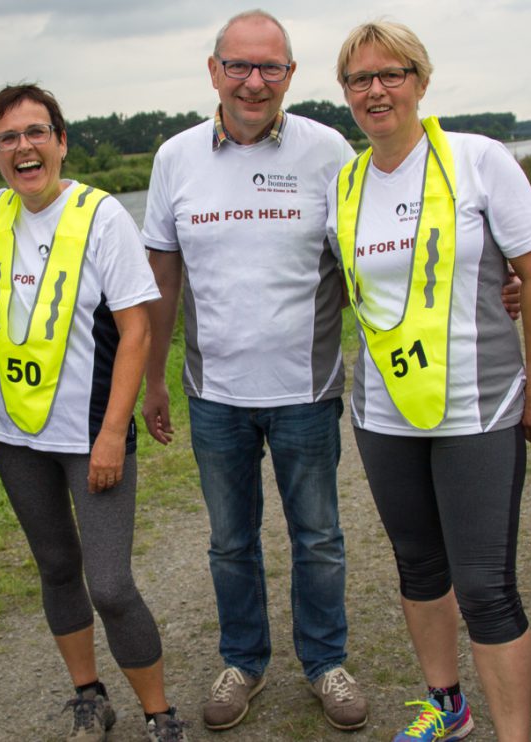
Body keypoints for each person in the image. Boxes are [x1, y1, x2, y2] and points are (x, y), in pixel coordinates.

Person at [0, 83, 188, 742]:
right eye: (8, 138)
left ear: (61, 141)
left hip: (92, 434)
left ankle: (160, 713)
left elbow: (137, 331)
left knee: (113, 584)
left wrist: (114, 434)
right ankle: (88, 695)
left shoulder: (102, 217)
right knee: (57, 569)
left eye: (37, 132)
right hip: (16, 437)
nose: (24, 147)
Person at [327, 20, 531, 742]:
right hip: (383, 414)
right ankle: (447, 707)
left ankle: (511, 735)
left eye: (391, 74)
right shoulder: (347, 182)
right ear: (346, 95)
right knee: (419, 566)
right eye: (359, 79)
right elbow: (349, 292)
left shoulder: (479, 160)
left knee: (487, 587)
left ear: (420, 81)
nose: (376, 90)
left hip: (479, 410)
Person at [140, 10, 369, 732]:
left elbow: (375, 259)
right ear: (214, 71)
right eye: (238, 65)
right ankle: (244, 660)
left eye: (270, 67)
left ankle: (325, 661)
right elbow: (162, 278)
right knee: (229, 541)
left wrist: (496, 281)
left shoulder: (329, 150)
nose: (253, 81)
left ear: (290, 76)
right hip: (216, 396)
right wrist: (152, 380)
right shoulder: (175, 158)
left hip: (305, 392)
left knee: (319, 537)